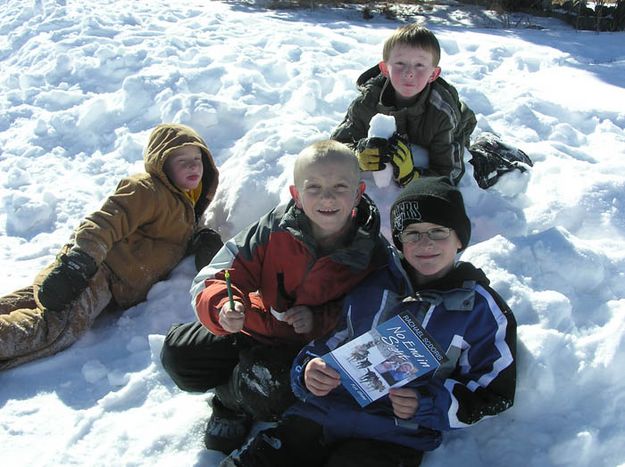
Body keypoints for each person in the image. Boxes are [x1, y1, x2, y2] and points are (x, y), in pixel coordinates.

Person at [222, 176, 516, 467]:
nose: (425, 243)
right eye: (413, 233)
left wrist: (426, 405)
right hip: (324, 412)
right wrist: (309, 370)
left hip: (395, 434)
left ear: (460, 238)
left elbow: (494, 393)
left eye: (438, 231)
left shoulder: (479, 309)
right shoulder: (371, 281)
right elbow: (330, 336)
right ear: (400, 241)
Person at [160, 140, 388, 454]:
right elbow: (220, 272)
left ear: (358, 192)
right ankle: (242, 377)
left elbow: (367, 320)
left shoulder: (370, 254)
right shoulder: (274, 229)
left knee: (271, 387)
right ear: (296, 194)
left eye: (340, 186)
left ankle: (232, 401)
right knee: (180, 354)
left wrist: (316, 320)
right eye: (314, 187)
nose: (327, 197)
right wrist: (225, 305)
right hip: (252, 324)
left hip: (299, 352)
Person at [0, 123, 222, 370]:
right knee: (57, 327)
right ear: (162, 165)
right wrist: (79, 263)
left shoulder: (187, 201)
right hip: (96, 271)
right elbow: (104, 222)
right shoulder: (146, 190)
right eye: (182, 160)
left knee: (33, 300)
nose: (193, 165)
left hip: (108, 279)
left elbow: (174, 229)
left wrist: (202, 236)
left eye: (197, 158)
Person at [332, 24, 477, 187]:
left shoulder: (443, 114)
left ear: (433, 74)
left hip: (456, 129)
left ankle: (490, 155)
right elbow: (336, 146)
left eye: (420, 65)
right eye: (400, 63)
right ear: (385, 68)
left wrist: (412, 177)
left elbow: (450, 172)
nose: (409, 73)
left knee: (474, 170)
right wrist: (357, 156)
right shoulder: (367, 103)